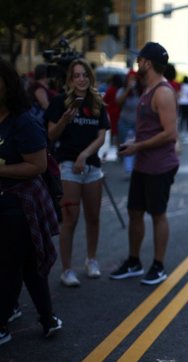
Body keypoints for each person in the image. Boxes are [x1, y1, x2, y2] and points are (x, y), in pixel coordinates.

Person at [0, 58, 62, 345]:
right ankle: (48, 318)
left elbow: (37, 165)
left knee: (11, 266)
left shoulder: (22, 123)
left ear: (8, 86)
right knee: (27, 265)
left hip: (19, 206)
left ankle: (2, 325)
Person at [110, 41, 179, 286]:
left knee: (158, 214)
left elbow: (170, 133)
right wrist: (135, 141)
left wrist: (138, 146)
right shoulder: (145, 89)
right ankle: (134, 261)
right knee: (135, 212)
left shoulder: (162, 92)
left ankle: (158, 266)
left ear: (148, 63)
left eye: (140, 59)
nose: (137, 63)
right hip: (143, 163)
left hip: (159, 165)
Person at [45, 59, 109, 287]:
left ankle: (91, 260)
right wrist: (64, 120)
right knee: (69, 220)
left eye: (85, 75)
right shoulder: (59, 102)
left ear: (90, 78)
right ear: (70, 79)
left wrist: (84, 155)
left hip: (91, 168)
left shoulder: (97, 102)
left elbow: (102, 136)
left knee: (93, 217)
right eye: (76, 75)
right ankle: (66, 269)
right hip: (67, 168)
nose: (81, 79)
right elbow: (50, 135)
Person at [116, 70, 143, 175]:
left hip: (137, 122)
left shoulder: (140, 91)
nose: (132, 81)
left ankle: (133, 168)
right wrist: (128, 90)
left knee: (136, 145)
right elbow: (118, 102)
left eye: (134, 79)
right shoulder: (122, 90)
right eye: (130, 79)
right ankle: (128, 167)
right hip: (124, 122)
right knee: (126, 145)